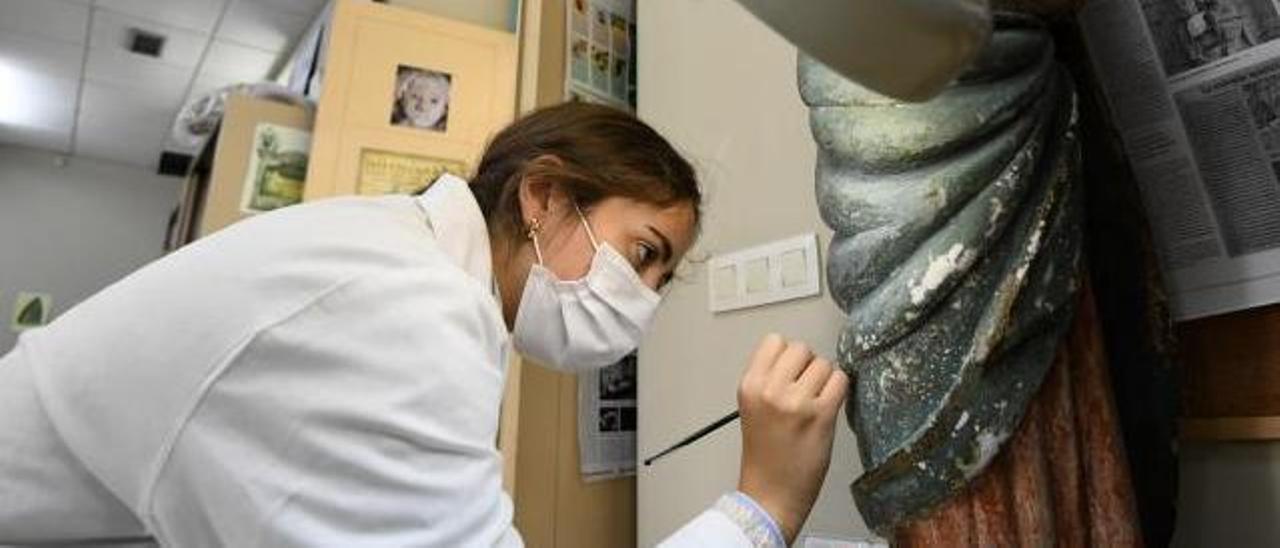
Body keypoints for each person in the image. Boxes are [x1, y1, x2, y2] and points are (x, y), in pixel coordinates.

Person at [0, 103, 848, 547]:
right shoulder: (412, 309)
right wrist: (763, 505)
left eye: (662, 279)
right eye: (643, 253)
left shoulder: (401, 261)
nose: (644, 301)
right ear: (547, 197)